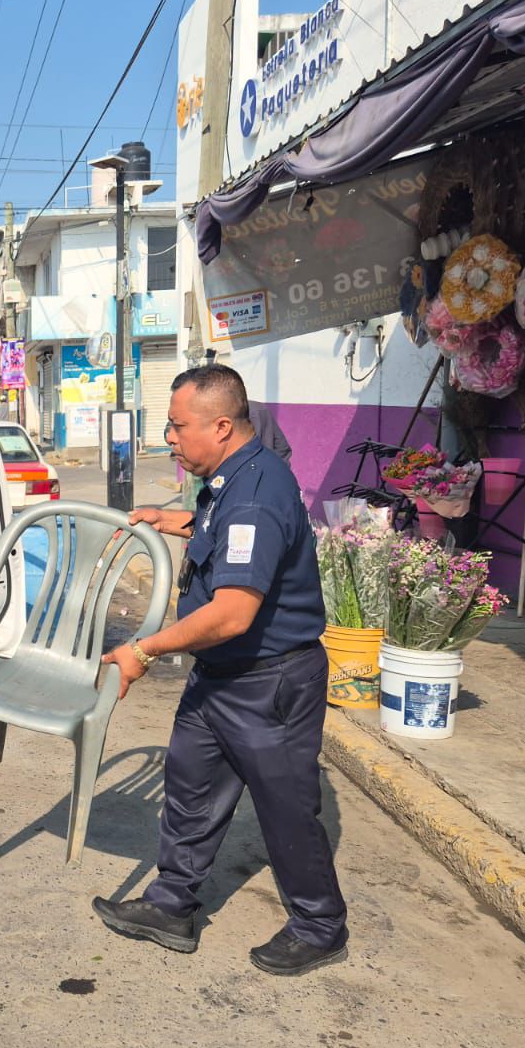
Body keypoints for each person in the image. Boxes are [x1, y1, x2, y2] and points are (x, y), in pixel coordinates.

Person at [96, 364, 346, 977]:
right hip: (221, 678)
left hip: (268, 682)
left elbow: (233, 613)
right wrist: (172, 520)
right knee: (190, 787)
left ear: (223, 426)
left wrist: (144, 650)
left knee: (286, 809)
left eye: (178, 426)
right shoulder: (230, 479)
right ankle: (171, 906)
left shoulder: (257, 494)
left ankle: (320, 927)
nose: (169, 438)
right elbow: (221, 532)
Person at [248, 399, 293, 464]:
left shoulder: (238, 412)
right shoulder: (260, 408)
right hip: (268, 464)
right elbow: (282, 447)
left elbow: (282, 447)